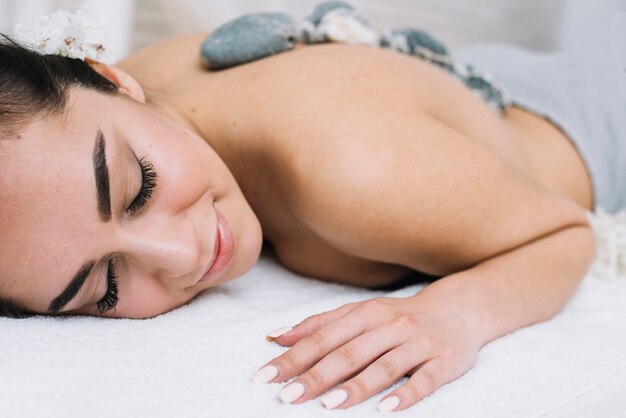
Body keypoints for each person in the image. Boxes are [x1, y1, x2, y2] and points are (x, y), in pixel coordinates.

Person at [0, 22, 607, 412]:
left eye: (139, 188)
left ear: (113, 80)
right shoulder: (126, 107)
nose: (182, 258)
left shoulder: (357, 171)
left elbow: (566, 232)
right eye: (105, 287)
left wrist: (451, 315)